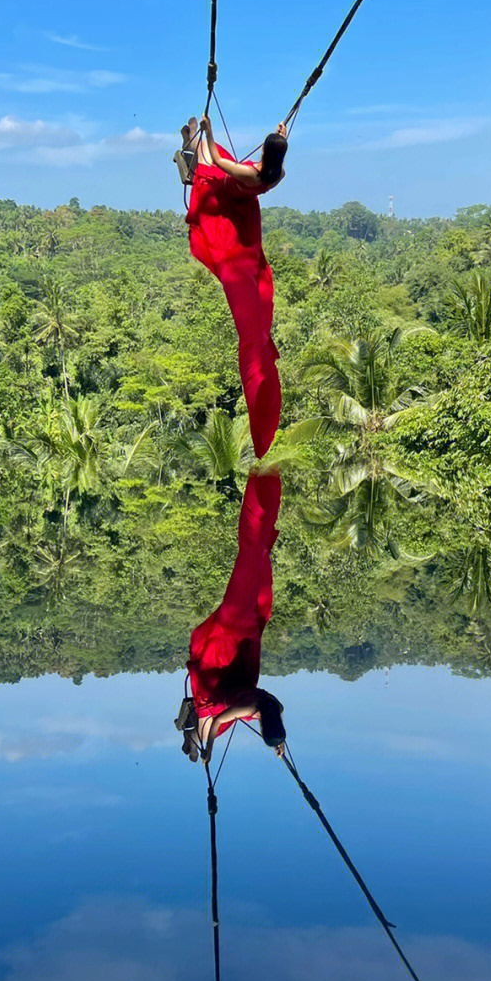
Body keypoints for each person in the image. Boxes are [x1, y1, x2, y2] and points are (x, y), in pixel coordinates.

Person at [182, 114, 287, 459]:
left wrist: (207, 134)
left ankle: (188, 144)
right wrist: (280, 134)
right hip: (246, 213)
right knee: (211, 158)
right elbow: (277, 154)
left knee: (207, 160)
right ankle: (187, 145)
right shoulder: (276, 174)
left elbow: (218, 159)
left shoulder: (251, 173)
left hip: (227, 206)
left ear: (267, 156)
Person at [177, 470, 285, 764]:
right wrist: (209, 749)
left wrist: (279, 743)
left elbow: (227, 716)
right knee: (254, 566)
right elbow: (224, 719)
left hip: (219, 685)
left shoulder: (272, 706)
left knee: (208, 727)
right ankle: (191, 738)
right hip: (226, 686)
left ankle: (191, 739)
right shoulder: (254, 706)